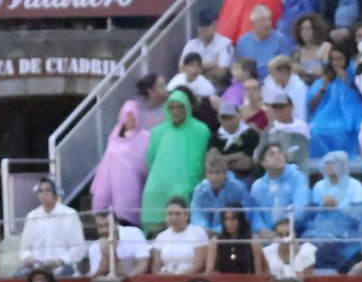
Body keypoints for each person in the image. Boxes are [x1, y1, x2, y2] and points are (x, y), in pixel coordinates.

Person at [142, 89, 211, 231]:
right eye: (172, 107)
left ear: (187, 107)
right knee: (151, 192)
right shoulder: (158, 131)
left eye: (179, 107)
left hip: (187, 183)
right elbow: (151, 159)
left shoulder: (200, 130)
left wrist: (191, 182)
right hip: (159, 182)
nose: (175, 111)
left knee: (182, 193)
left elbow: (199, 160)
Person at [305, 149, 362, 270]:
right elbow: (314, 212)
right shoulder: (319, 186)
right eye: (328, 163)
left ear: (344, 165)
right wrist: (324, 207)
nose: (331, 166)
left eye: (335, 163)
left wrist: (339, 208)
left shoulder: (354, 185)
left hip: (349, 230)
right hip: (323, 230)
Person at [91, 100, 150, 226]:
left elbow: (144, 163)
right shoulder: (114, 138)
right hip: (113, 186)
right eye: (127, 118)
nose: (130, 121)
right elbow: (107, 163)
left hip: (134, 186)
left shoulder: (145, 138)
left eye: (133, 118)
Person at [307, 44, 362, 157]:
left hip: (349, 115)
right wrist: (323, 88)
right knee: (315, 130)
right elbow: (312, 105)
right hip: (328, 115)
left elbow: (360, 97)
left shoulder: (355, 74)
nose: (336, 63)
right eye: (333, 59)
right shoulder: (328, 77)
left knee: (342, 130)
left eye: (339, 59)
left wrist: (346, 80)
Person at [18, 176, 84, 275]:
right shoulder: (32, 216)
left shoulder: (70, 214)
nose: (44, 194)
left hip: (63, 265)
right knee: (20, 276)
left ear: (56, 194)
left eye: (48, 191)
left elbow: (78, 248)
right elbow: (24, 248)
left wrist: (60, 261)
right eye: (40, 191)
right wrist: (29, 258)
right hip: (37, 268)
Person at [246, 143, 312, 237]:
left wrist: (282, 228)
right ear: (262, 162)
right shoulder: (257, 186)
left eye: (280, 153)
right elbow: (255, 214)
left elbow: (300, 206)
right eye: (271, 154)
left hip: (296, 230)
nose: (278, 156)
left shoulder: (297, 177)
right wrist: (261, 229)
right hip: (267, 235)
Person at [148, 198, 210, 273]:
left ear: (186, 215)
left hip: (191, 279)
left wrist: (179, 275)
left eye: (178, 214)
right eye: (170, 214)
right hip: (166, 279)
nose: (174, 218)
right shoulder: (161, 236)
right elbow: (156, 267)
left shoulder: (198, 232)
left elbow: (199, 265)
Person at [192, 153, 251, 231]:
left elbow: (244, 213)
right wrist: (204, 229)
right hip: (205, 233)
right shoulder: (199, 190)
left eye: (217, 173)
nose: (214, 177)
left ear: (225, 173)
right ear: (206, 174)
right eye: (211, 173)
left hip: (231, 232)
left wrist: (218, 231)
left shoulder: (238, 188)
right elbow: (197, 215)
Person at [253, 90, 311, 169]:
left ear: (291, 107)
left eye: (282, 107)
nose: (278, 110)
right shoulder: (269, 129)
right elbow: (258, 154)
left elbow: (307, 150)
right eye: (275, 107)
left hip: (299, 165)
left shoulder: (303, 126)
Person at [236, 5, 294, 78]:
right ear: (252, 24)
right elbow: (239, 67)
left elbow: (287, 65)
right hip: (251, 84)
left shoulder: (280, 39)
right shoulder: (243, 42)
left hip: (274, 82)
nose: (267, 23)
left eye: (269, 19)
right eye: (262, 20)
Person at [88, 209, 149, 278]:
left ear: (116, 224)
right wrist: (105, 254)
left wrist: (129, 279)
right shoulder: (94, 246)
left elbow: (143, 264)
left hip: (134, 281)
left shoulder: (134, 233)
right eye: (100, 226)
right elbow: (96, 274)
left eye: (107, 225)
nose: (104, 230)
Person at [201, 207, 265, 273]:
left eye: (233, 218)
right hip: (221, 281)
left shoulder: (252, 241)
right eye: (226, 219)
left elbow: (258, 273)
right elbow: (209, 272)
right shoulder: (216, 242)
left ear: (240, 219)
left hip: (247, 280)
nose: (229, 223)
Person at [211, 100, 261, 177]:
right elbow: (212, 159)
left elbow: (247, 162)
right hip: (222, 177)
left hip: (247, 177)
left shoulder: (250, 134)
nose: (228, 121)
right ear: (219, 119)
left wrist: (224, 160)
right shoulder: (216, 137)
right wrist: (234, 160)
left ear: (238, 115)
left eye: (231, 117)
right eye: (224, 118)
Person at [182, 7, 233, 81]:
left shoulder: (225, 43)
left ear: (215, 26)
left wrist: (195, 69)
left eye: (207, 26)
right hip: (194, 83)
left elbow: (222, 72)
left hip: (218, 85)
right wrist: (209, 66)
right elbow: (182, 69)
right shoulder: (191, 44)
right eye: (201, 26)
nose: (203, 29)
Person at [262, 55, 310, 122]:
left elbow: (300, 114)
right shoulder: (271, 82)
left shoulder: (299, 87)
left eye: (273, 73)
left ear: (283, 71)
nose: (271, 76)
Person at [290, 13, 330, 80]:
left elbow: (325, 72)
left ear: (316, 30)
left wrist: (303, 71)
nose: (305, 32)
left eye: (309, 29)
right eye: (302, 29)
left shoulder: (325, 47)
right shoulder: (296, 51)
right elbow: (293, 72)